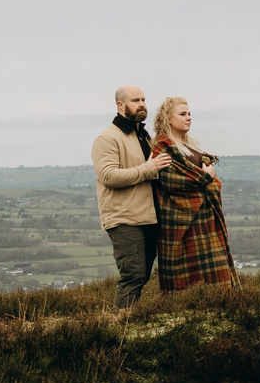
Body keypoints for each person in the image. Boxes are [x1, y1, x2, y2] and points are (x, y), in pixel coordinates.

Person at [92, 85, 170, 307]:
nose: (142, 104)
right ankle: (119, 327)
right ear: (120, 105)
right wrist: (150, 167)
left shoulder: (144, 136)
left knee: (142, 275)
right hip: (124, 218)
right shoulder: (106, 138)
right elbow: (109, 176)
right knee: (133, 276)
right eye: (136, 100)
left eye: (144, 99)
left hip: (149, 217)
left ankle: (129, 322)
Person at [151, 96, 237, 291]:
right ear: (168, 119)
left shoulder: (192, 145)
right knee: (187, 280)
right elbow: (171, 181)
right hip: (182, 225)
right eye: (182, 114)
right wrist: (206, 177)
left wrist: (208, 177)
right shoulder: (163, 146)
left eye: (189, 114)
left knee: (217, 275)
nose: (188, 118)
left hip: (206, 221)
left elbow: (204, 177)